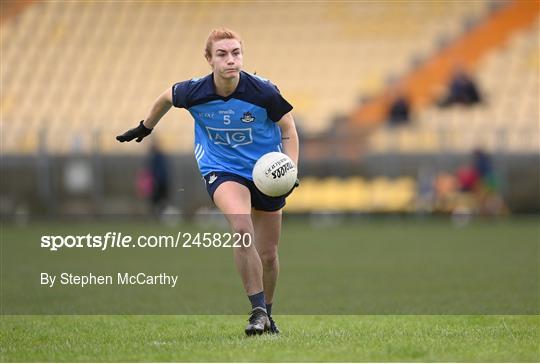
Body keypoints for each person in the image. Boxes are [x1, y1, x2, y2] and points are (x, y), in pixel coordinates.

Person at [116, 28, 299, 336]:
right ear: (209, 59)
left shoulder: (264, 92)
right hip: (223, 169)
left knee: (269, 255)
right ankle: (255, 312)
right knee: (242, 230)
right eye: (222, 54)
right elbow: (166, 97)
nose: (231, 60)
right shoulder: (194, 91)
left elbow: (289, 129)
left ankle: (267, 313)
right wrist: (145, 127)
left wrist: (291, 168)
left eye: (236, 53)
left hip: (266, 172)